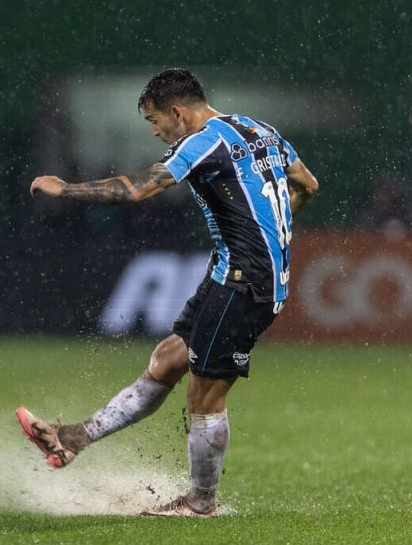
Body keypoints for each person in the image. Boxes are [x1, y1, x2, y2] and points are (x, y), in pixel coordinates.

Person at [16, 68, 319, 517]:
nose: (156, 131)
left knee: (205, 394)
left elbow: (139, 189)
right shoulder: (260, 129)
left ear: (178, 112)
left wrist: (66, 189)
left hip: (245, 281)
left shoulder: (201, 142)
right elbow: (307, 184)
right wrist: (276, 230)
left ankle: (200, 504)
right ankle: (74, 438)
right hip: (230, 272)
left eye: (155, 121)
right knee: (168, 359)